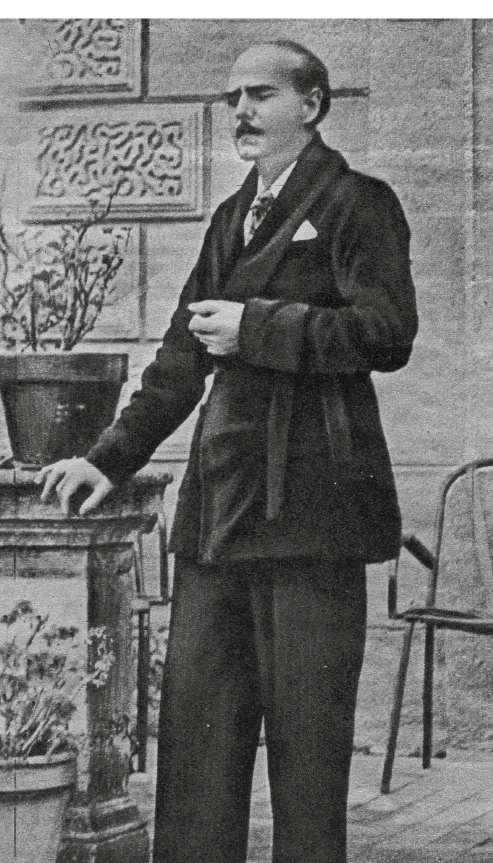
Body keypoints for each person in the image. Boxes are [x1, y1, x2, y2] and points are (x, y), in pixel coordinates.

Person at [36, 40, 418, 863]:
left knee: (307, 755)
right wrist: (107, 458)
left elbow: (387, 333)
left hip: (312, 511)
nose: (240, 111)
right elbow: (180, 358)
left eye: (260, 94)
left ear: (310, 104)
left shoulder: (357, 203)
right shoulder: (229, 217)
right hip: (219, 509)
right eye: (232, 97)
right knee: (197, 743)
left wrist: (259, 327)